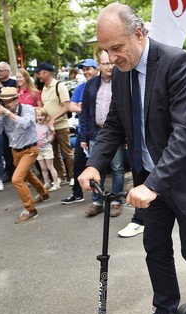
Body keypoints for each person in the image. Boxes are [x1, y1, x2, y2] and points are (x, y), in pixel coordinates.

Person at [78, 3, 186, 314]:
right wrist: (95, 162)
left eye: (116, 48)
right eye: (105, 50)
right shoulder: (121, 72)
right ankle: (165, 310)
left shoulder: (176, 62)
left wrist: (152, 186)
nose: (111, 58)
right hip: (152, 182)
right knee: (155, 247)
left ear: (139, 34)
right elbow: (115, 126)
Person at [0, 87, 50, 223]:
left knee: (17, 179)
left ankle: (31, 210)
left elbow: (25, 123)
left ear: (16, 100)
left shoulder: (27, 109)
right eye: (3, 102)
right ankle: (44, 194)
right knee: (28, 174)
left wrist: (5, 112)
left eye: (8, 101)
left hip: (30, 149)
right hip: (15, 151)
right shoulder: (3, 113)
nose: (5, 104)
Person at [80, 51, 125, 218]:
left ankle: (116, 201)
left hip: (115, 133)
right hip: (95, 131)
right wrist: (84, 136)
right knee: (95, 167)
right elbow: (84, 111)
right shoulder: (91, 84)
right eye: (105, 63)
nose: (110, 66)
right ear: (99, 65)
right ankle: (97, 201)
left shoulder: (121, 82)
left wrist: (126, 136)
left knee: (118, 167)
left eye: (111, 63)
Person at [61, 58, 99, 205]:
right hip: (83, 133)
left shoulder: (104, 86)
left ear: (96, 69)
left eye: (88, 68)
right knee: (78, 164)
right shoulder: (80, 88)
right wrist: (89, 108)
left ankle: (108, 199)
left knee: (110, 166)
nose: (85, 72)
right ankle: (77, 194)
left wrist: (83, 107)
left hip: (100, 132)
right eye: (83, 69)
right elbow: (71, 107)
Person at [37, 62, 74, 185]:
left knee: (67, 152)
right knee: (54, 153)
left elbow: (66, 107)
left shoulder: (59, 86)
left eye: (40, 73)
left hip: (61, 125)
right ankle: (61, 176)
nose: (38, 76)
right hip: (48, 128)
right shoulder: (43, 89)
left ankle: (73, 176)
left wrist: (53, 119)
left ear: (46, 73)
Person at [34, 107, 59, 191]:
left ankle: (56, 183)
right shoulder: (34, 126)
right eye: (38, 115)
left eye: (42, 115)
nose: (40, 117)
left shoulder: (46, 126)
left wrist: (52, 134)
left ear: (45, 117)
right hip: (38, 150)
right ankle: (46, 182)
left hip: (46, 149)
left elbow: (50, 138)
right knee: (43, 168)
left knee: (50, 167)